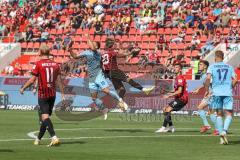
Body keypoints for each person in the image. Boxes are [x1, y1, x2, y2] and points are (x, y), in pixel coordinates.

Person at [68, 34, 128, 120]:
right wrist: (70, 49)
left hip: (98, 75)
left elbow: (93, 48)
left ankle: (120, 100)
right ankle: (104, 109)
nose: (92, 44)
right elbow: (75, 56)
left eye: (94, 44)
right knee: (94, 98)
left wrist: (88, 38)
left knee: (105, 90)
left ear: (97, 47)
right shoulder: (86, 52)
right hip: (91, 77)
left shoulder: (97, 53)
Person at [20, 44, 64, 147]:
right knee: (46, 118)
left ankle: (54, 137)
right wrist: (62, 93)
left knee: (44, 117)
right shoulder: (56, 64)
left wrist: (23, 88)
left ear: (40, 52)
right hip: (52, 94)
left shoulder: (38, 64)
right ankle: (38, 138)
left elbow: (32, 80)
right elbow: (59, 80)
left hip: (43, 93)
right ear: (48, 53)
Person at [204, 50, 237, 145]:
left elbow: (208, 79)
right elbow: (235, 79)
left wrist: (207, 90)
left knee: (219, 114)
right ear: (223, 57)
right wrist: (231, 87)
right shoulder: (229, 67)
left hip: (216, 92)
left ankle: (221, 134)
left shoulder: (212, 66)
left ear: (215, 57)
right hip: (227, 92)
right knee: (229, 114)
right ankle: (224, 131)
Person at [155, 62, 188, 133]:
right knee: (165, 109)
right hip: (179, 98)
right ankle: (171, 127)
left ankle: (163, 127)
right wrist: (167, 91)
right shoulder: (177, 78)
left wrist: (169, 95)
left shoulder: (180, 78)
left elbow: (179, 91)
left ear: (180, 69)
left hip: (182, 99)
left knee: (167, 110)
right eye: (174, 67)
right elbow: (175, 90)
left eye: (177, 67)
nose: (175, 69)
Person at [192, 60, 218, 135]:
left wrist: (210, 92)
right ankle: (212, 127)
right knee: (205, 110)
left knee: (207, 110)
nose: (199, 66)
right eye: (199, 64)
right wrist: (205, 90)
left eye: (201, 64)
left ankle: (214, 128)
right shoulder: (203, 74)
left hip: (212, 94)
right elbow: (206, 84)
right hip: (209, 94)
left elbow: (211, 83)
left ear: (205, 66)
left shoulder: (207, 74)